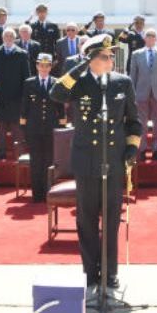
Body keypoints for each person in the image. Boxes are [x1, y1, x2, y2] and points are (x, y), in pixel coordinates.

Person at [50, 34, 141, 289]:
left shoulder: (122, 83)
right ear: (91, 59)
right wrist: (80, 67)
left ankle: (110, 272)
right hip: (86, 160)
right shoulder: (78, 84)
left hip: (113, 161)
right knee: (87, 220)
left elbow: (134, 121)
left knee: (111, 219)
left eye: (112, 55)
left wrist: (132, 148)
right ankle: (91, 272)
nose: (111, 59)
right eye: (105, 55)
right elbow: (55, 93)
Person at [20, 53, 66, 202]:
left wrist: (61, 127)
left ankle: (49, 192)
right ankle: (37, 194)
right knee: (36, 161)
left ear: (51, 67)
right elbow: (24, 107)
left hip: (51, 127)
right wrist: (24, 128)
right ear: (37, 66)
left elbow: (61, 108)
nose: (44, 68)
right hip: (34, 128)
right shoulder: (29, 83)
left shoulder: (56, 82)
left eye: (47, 66)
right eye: (41, 65)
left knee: (49, 161)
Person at [0, 28, 30, 161]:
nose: (9, 38)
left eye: (11, 36)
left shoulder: (22, 54)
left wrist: (24, 97)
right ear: (2, 37)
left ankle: (19, 153)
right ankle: (0, 152)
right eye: (6, 35)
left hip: (16, 97)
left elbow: (26, 77)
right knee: (0, 127)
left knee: (17, 128)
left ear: (15, 37)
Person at [129, 28, 157, 161]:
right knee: (141, 123)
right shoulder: (136, 54)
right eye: (148, 36)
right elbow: (132, 76)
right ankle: (142, 149)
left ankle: (156, 149)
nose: (151, 38)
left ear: (156, 39)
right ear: (144, 38)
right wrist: (133, 95)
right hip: (141, 93)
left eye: (153, 36)